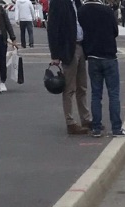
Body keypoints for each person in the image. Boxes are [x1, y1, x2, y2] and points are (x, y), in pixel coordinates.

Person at [80, 0, 125, 137]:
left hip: (92, 56)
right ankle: (116, 128)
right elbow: (115, 31)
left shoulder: (82, 11)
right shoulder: (107, 11)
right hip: (108, 55)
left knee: (96, 94)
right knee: (113, 94)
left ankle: (96, 127)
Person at [48, 0, 91, 134]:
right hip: (68, 49)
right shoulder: (58, 3)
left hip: (81, 46)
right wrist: (55, 54)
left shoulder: (78, 3)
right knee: (69, 87)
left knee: (82, 86)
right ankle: (70, 121)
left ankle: (86, 118)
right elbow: (53, 28)